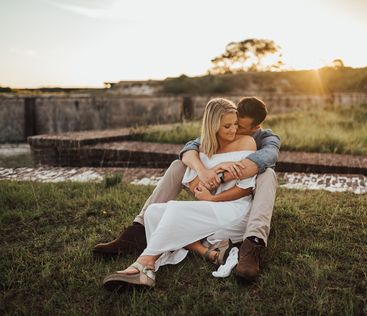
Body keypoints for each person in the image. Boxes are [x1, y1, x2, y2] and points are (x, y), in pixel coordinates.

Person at [94, 97, 280, 282]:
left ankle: (145, 265)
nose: (235, 129)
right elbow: (189, 155)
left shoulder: (257, 140)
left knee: (268, 174)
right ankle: (140, 232)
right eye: (230, 125)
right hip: (211, 204)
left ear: (254, 128)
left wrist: (220, 176)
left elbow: (265, 159)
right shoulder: (204, 144)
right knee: (154, 212)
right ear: (215, 124)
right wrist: (206, 170)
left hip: (235, 205)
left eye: (238, 126)